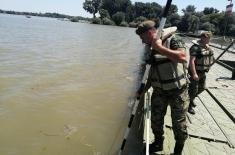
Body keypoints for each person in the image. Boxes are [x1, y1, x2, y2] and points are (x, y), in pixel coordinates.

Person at [135, 20, 189, 155]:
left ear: (149, 33)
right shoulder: (148, 48)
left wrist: (159, 48)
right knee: (156, 120)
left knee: (179, 124)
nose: (142, 42)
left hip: (177, 91)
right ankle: (158, 142)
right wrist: (143, 90)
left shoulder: (174, 39)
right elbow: (150, 73)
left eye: (142, 38)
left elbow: (182, 58)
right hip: (159, 91)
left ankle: (178, 150)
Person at [188, 31, 214, 115]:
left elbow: (210, 57)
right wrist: (194, 73)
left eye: (210, 38)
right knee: (193, 90)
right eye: (208, 38)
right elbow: (191, 61)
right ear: (202, 38)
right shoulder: (195, 48)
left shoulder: (207, 47)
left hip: (203, 72)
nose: (209, 40)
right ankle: (189, 106)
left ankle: (191, 99)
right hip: (195, 72)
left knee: (202, 87)